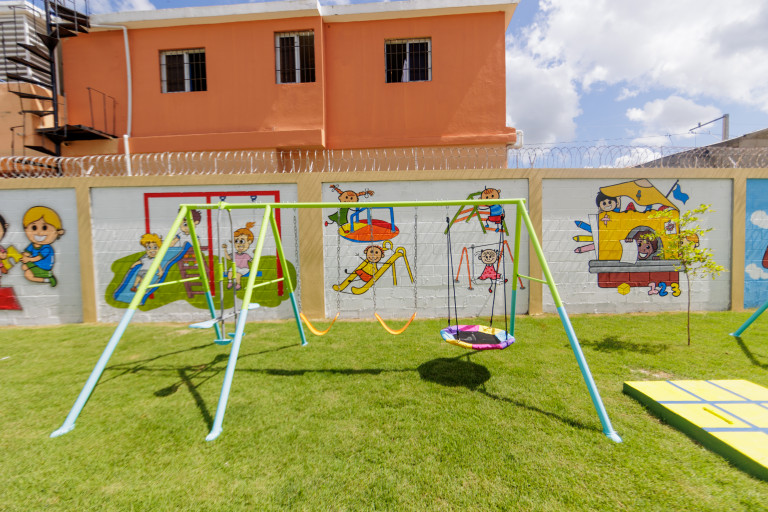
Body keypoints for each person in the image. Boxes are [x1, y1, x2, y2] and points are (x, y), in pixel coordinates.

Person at [21, 206, 65, 287]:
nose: (39, 232)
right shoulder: (32, 245)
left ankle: (48, 279)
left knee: (28, 274)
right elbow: (28, 252)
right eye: (34, 227)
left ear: (57, 232)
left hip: (43, 267)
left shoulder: (46, 248)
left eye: (44, 228)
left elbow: (38, 258)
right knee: (24, 267)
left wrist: (28, 259)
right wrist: (23, 256)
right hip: (35, 264)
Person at [222, 222, 255, 290]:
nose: (239, 244)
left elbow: (253, 261)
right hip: (236, 267)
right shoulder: (234, 254)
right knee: (230, 273)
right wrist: (225, 249)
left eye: (242, 241)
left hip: (244, 269)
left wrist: (255, 254)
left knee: (237, 275)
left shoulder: (246, 255)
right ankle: (230, 282)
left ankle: (238, 284)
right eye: (236, 241)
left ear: (249, 242)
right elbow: (228, 258)